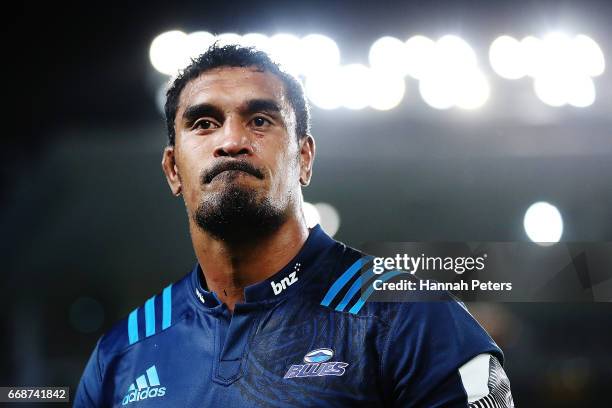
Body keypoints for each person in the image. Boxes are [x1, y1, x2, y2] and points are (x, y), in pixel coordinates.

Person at [75, 43, 514, 407]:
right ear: (173, 169)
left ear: (304, 159)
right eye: (204, 123)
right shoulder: (122, 353)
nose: (231, 141)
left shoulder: (409, 316)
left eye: (260, 120)